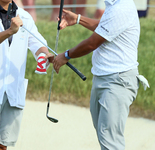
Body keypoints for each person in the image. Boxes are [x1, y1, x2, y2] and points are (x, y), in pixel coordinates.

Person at [53, 0, 149, 149]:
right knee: (104, 137)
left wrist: (66, 55)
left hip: (117, 81)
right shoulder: (113, 5)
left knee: (110, 141)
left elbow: (93, 43)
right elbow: (103, 27)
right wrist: (78, 19)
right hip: (104, 78)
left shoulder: (122, 7)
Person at [0, 0, 53, 149]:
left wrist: (45, 55)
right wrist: (9, 31)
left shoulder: (25, 17)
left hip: (12, 91)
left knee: (1, 146)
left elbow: (37, 44)